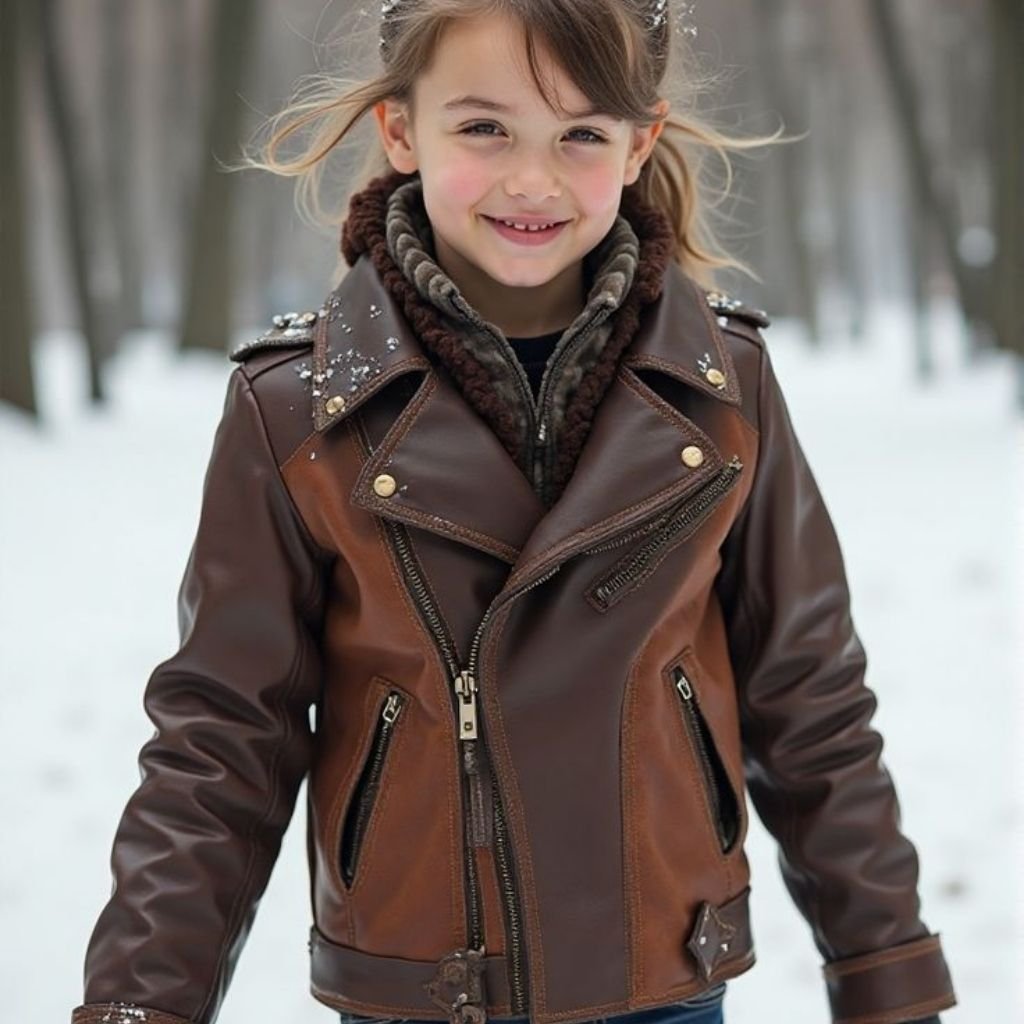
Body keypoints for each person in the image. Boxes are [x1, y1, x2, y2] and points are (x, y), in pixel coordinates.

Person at [70, 3, 958, 1024]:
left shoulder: (724, 387)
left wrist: (888, 978)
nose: (533, 181)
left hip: (661, 980)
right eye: (484, 126)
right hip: (418, 991)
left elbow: (810, 701)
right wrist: (140, 1004)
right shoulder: (296, 411)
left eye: (580, 133)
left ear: (638, 145)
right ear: (402, 129)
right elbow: (222, 741)